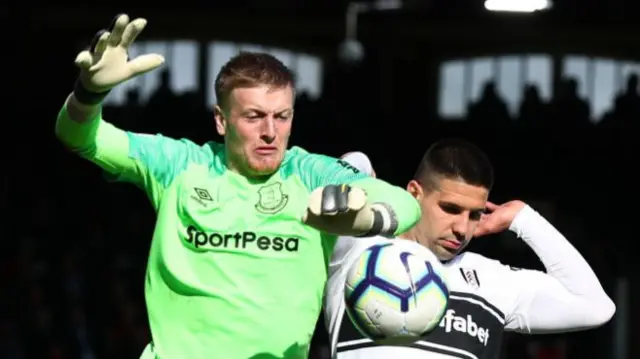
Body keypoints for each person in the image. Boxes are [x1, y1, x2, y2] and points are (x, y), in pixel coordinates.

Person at [55, 14, 421, 359]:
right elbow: (82, 138)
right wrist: (88, 94)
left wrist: (369, 219)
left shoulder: (311, 172)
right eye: (254, 116)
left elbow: (404, 203)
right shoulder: (180, 165)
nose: (270, 132)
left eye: (282, 116)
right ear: (221, 120)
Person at [325, 141, 616, 359]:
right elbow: (342, 172)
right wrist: (363, 182)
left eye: (474, 214)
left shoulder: (492, 281)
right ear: (414, 192)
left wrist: (524, 219)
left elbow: (595, 307)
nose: (462, 229)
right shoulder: (358, 248)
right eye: (450, 208)